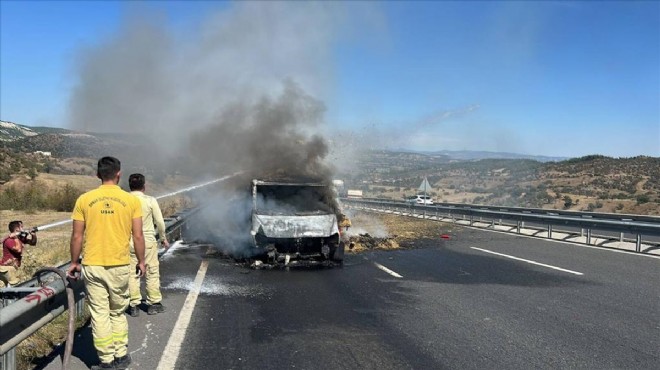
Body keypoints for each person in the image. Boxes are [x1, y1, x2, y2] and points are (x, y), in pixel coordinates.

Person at [66, 156, 146, 370]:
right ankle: (121, 355)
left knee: (99, 314)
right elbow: (138, 236)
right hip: (120, 265)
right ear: (119, 174)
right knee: (117, 312)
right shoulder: (132, 201)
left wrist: (74, 262)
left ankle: (106, 360)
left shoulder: (84, 200)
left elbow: (76, 236)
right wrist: (142, 261)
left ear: (98, 175)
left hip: (92, 265)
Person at [127, 173, 170, 316]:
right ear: (144, 186)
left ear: (129, 186)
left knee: (132, 273)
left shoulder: (124, 200)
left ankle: (134, 305)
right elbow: (160, 222)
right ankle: (154, 303)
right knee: (152, 272)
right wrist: (163, 237)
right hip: (148, 242)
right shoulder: (150, 201)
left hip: (129, 242)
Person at [0, 221, 26, 287]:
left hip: (10, 267)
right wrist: (15, 238)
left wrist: (33, 234)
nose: (23, 229)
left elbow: (33, 242)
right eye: (21, 227)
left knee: (8, 287)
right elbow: (19, 250)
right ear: (17, 229)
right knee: (14, 286)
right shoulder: (10, 240)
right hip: (6, 268)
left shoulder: (18, 238)